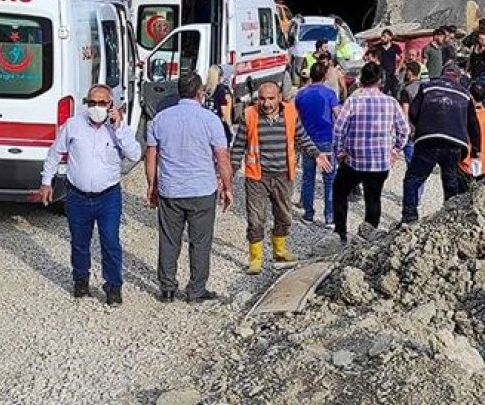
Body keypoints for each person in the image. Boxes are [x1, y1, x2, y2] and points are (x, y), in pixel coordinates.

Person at [38, 84, 142, 306]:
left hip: (108, 197)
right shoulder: (74, 125)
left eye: (101, 103)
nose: (96, 107)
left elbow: (135, 154)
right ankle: (80, 280)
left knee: (110, 241)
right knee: (79, 242)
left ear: (111, 104)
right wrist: (47, 181)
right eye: (92, 102)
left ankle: (113, 287)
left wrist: (119, 128)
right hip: (77, 196)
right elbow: (55, 153)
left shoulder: (119, 129)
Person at [145, 72, 234, 304]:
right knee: (201, 242)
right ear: (200, 93)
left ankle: (166, 288)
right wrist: (228, 187)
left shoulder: (160, 119)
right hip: (202, 189)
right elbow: (222, 158)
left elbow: (151, 156)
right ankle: (196, 290)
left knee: (169, 240)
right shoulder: (210, 120)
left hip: (170, 189)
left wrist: (151, 185)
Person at [231, 81, 329, 273]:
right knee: (256, 218)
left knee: (284, 216)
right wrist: (230, 173)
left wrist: (317, 154)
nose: (266, 103)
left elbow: (302, 137)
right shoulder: (249, 115)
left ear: (279, 98)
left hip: (284, 174)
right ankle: (256, 258)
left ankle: (279, 250)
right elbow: (238, 146)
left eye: (270, 98)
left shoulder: (291, 113)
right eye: (262, 99)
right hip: (257, 176)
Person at [332, 63, 409, 242]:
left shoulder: (353, 101)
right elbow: (404, 129)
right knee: (373, 198)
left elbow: (338, 130)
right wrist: (396, 150)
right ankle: (369, 235)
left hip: (354, 160)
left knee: (340, 191)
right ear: (380, 81)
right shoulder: (391, 102)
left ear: (361, 80)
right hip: (380, 162)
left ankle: (341, 232)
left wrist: (340, 152)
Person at [402, 63, 480, 223]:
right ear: (458, 78)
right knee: (450, 180)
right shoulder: (465, 95)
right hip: (454, 143)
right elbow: (473, 124)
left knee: (413, 178)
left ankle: (409, 217)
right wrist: (476, 150)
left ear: (442, 74)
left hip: (428, 140)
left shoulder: (427, 87)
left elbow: (413, 112)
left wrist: (423, 126)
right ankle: (449, 217)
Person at [293, 61, 341, 225]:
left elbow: (296, 118)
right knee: (329, 178)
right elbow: (338, 114)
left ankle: (308, 214)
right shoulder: (329, 94)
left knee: (308, 177)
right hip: (326, 139)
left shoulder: (300, 94)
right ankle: (329, 217)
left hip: (307, 140)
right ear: (325, 75)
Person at [398, 60, 424, 162]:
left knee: (411, 160)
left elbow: (405, 112)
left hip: (412, 129)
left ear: (409, 73)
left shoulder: (407, 90)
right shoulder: (425, 87)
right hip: (423, 128)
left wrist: (404, 130)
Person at [207, 64, 235, 142]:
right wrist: (229, 128)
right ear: (219, 76)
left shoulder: (205, 89)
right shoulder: (221, 90)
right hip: (217, 124)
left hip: (206, 123)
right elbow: (224, 111)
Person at [375, 29, 403, 96]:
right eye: (382, 36)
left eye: (384, 36)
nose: (382, 38)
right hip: (382, 74)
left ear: (390, 37)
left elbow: (403, 57)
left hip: (392, 74)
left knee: (395, 93)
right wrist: (375, 62)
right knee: (382, 93)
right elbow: (366, 56)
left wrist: (398, 68)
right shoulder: (377, 47)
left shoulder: (395, 47)